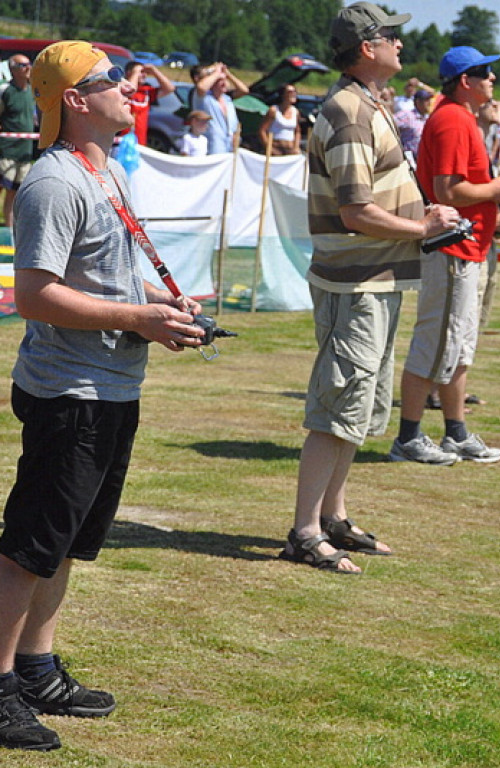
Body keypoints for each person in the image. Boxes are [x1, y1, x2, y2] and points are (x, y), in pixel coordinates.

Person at [0, 40, 207, 752]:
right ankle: (0, 687)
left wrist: (165, 312)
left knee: (63, 544)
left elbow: (108, 279)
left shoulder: (106, 171)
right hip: (71, 393)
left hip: (111, 386)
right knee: (30, 546)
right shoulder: (55, 182)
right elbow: (33, 294)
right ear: (76, 101)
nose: (127, 88)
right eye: (108, 80)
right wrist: (138, 318)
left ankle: (36, 668)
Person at [280, 3, 461, 572]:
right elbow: (356, 210)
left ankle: (332, 516)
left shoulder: (366, 104)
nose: (400, 46)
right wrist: (422, 228)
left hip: (373, 281)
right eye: (391, 37)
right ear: (366, 47)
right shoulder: (351, 111)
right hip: (355, 284)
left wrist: (421, 216)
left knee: (356, 405)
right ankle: (305, 531)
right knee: (337, 405)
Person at [390, 46, 500, 465]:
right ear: (464, 80)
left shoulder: (461, 117)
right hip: (453, 247)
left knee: (459, 346)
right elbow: (446, 189)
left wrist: (491, 198)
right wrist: (497, 191)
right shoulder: (451, 117)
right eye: (485, 72)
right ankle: (409, 437)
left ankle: (456, 431)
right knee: (434, 344)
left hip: (469, 245)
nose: (493, 79)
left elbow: (463, 186)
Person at [0, 55, 35, 228]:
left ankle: (9, 231)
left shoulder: (32, 91)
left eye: (29, 64)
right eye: (23, 65)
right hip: (6, 150)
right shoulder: (5, 90)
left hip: (25, 151)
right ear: (13, 69)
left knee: (14, 194)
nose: (28, 68)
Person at [191, 62, 249, 154]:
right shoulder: (204, 98)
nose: (224, 83)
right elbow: (201, 86)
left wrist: (228, 74)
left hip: (230, 143)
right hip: (212, 144)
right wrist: (216, 73)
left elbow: (244, 90)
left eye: (225, 80)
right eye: (220, 80)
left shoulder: (227, 99)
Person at [124, 60, 175, 147]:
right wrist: (135, 72)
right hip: (122, 140)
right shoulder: (123, 88)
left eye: (145, 73)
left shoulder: (146, 91)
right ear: (129, 73)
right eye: (141, 72)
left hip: (139, 141)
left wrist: (155, 71)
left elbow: (169, 88)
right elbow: (129, 90)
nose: (144, 75)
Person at [258, 84, 301, 155]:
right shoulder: (274, 110)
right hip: (276, 148)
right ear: (283, 94)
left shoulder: (295, 112)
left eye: (295, 91)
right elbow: (262, 131)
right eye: (290, 92)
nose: (293, 94)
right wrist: (269, 148)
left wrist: (296, 147)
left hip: (290, 149)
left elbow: (297, 131)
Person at [394, 87, 431, 155]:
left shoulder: (429, 118)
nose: (429, 103)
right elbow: (391, 124)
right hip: (409, 158)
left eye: (429, 100)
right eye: (426, 100)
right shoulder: (407, 115)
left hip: (423, 158)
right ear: (418, 102)